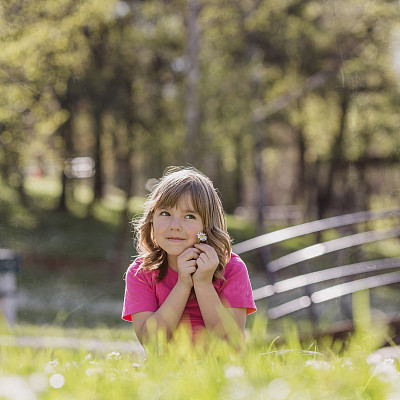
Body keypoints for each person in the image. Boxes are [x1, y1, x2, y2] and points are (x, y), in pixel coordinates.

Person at [122, 166, 256, 345]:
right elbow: (151, 342)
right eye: (165, 213)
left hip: (221, 369)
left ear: (207, 226)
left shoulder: (232, 268)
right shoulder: (142, 272)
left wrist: (203, 284)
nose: (175, 225)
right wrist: (183, 284)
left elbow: (230, 342)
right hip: (166, 371)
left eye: (190, 216)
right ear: (151, 219)